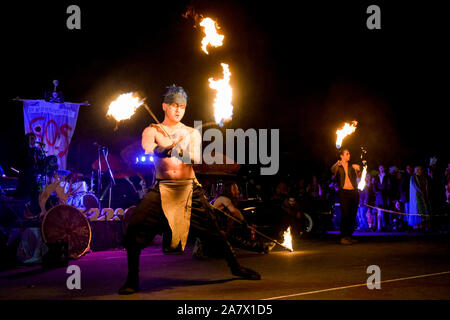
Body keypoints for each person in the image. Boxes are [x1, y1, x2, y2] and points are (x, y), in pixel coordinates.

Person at [119, 85, 260, 295]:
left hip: (189, 191)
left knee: (214, 233)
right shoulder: (152, 130)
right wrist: (163, 148)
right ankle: (132, 280)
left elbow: (194, 158)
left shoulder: (191, 132)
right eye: (174, 105)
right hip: (162, 189)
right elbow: (148, 149)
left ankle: (235, 267)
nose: (178, 110)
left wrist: (178, 148)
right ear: (164, 106)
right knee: (134, 229)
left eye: (182, 107)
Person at [331, 149, 360, 245]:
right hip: (343, 193)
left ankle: (349, 236)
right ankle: (343, 237)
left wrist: (358, 170)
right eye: (347, 154)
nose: (349, 155)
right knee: (345, 214)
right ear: (341, 156)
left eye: (349, 153)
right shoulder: (338, 167)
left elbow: (358, 176)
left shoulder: (352, 166)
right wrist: (337, 163)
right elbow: (332, 170)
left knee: (352, 215)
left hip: (354, 192)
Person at [15, 133, 44, 215]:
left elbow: (37, 163)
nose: (34, 140)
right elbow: (24, 162)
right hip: (25, 176)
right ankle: (22, 214)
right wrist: (32, 151)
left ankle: (34, 213)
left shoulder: (34, 151)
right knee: (24, 195)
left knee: (35, 194)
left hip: (32, 176)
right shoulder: (23, 149)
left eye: (34, 139)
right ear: (27, 139)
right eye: (32, 138)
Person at [407, 166, 430, 231]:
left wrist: (425, 192)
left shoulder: (423, 177)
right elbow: (415, 186)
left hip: (423, 195)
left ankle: (424, 225)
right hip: (417, 196)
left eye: (420, 169)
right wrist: (421, 191)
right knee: (417, 209)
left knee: (424, 209)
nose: (420, 171)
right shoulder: (413, 177)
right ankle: (417, 226)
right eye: (418, 170)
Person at [373, 165, 391, 231]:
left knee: (385, 211)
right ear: (379, 169)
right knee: (378, 211)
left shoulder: (387, 177)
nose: (381, 169)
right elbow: (374, 186)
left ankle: (385, 226)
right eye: (380, 168)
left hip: (385, 196)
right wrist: (377, 192)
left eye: (382, 168)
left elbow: (389, 186)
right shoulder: (376, 177)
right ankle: (378, 226)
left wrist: (384, 192)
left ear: (384, 168)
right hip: (378, 196)